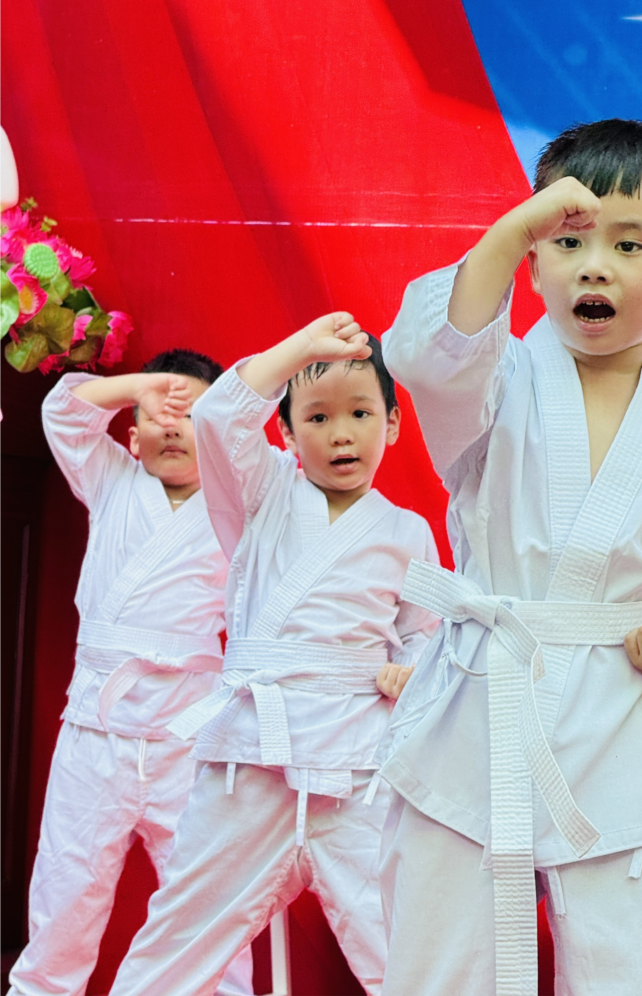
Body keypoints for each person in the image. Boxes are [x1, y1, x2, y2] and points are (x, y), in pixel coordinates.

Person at [377, 119, 642, 996]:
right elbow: (426, 354)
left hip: (627, 723)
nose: (595, 267)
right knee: (440, 974)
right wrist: (510, 232)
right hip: (477, 714)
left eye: (629, 245)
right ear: (533, 264)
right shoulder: (494, 382)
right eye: (567, 241)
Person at [104, 318, 439, 996]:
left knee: (406, 951)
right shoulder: (262, 496)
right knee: (177, 941)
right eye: (316, 417)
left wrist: (412, 669)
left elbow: (426, 633)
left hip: (355, 768)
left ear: (393, 423)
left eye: (359, 413)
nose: (340, 433)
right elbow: (219, 415)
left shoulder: (408, 532)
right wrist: (303, 349)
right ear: (284, 434)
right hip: (249, 765)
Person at [9, 350, 254, 996]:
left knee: (207, 901)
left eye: (191, 415)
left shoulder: (238, 504)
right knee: (66, 895)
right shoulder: (110, 479)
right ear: (131, 436)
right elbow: (63, 410)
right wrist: (144, 385)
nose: (173, 425)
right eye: (157, 413)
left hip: (190, 734)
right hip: (98, 726)